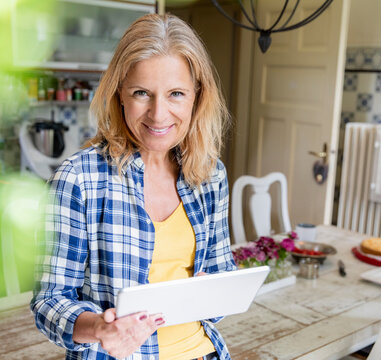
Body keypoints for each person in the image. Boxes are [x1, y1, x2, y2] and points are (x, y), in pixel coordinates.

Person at [30, 13, 237, 360]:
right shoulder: (79, 179)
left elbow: (220, 278)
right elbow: (48, 301)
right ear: (120, 94)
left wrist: (211, 291)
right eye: (142, 92)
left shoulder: (211, 175)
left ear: (196, 97)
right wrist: (99, 327)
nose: (159, 114)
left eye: (176, 94)